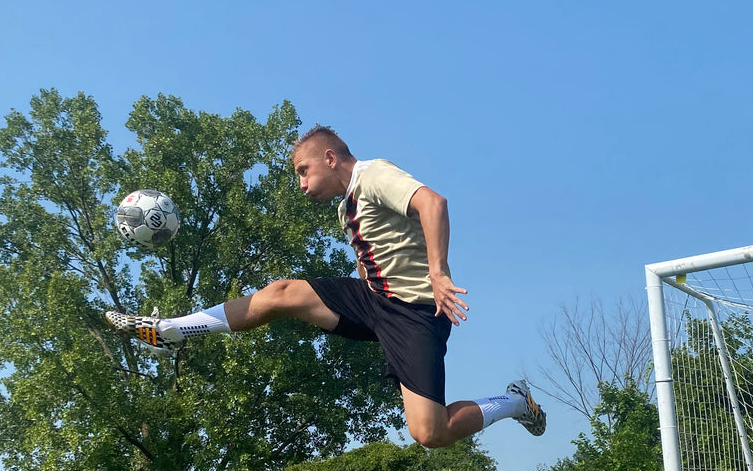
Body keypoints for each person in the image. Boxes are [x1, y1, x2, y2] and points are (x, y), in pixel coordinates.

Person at [104, 125, 545, 448]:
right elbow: (372, 255)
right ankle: (173, 331)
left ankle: (514, 402)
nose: (301, 184)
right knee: (284, 294)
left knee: (430, 433)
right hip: (374, 299)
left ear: (330, 158)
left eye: (303, 171)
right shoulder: (346, 208)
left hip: (414, 312)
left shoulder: (372, 175)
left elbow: (433, 202)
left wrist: (438, 271)